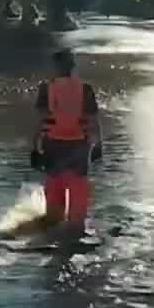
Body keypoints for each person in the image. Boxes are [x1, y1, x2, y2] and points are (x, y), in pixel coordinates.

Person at [33, 48, 102, 233]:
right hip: (79, 144)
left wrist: (34, 146)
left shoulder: (46, 88)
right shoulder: (85, 88)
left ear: (55, 66)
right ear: (72, 66)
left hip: (53, 143)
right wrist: (99, 144)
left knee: (55, 185)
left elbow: (40, 121)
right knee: (78, 187)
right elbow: (94, 120)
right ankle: (76, 227)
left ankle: (54, 223)